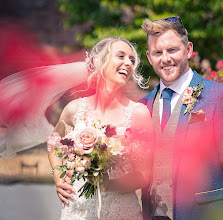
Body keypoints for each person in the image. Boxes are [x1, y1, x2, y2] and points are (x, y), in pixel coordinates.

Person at [0, 37, 154, 220]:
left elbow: (144, 175)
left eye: (132, 59)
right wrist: (58, 175)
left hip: (121, 210)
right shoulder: (74, 109)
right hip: (78, 208)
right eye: (121, 56)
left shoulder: (139, 113)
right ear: (100, 61)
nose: (128, 63)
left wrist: (108, 184)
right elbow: (54, 145)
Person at [139, 17, 223, 220]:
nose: (165, 59)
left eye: (172, 50)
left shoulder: (219, 97)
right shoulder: (142, 107)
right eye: (158, 53)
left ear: (189, 50)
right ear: (149, 57)